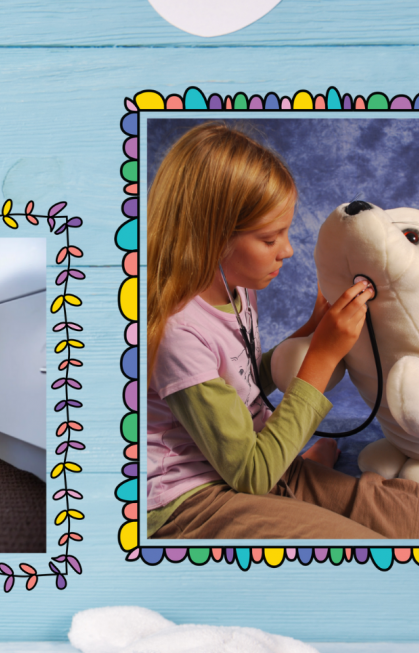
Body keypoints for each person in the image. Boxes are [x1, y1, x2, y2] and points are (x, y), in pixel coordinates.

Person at [146, 122, 419, 539]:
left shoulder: (234, 290)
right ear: (211, 237)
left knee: (408, 515)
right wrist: (322, 358)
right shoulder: (177, 332)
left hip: (261, 460)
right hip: (194, 498)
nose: (288, 250)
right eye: (271, 238)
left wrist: (311, 329)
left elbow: (244, 379)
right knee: (367, 550)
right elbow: (251, 476)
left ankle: (305, 469)